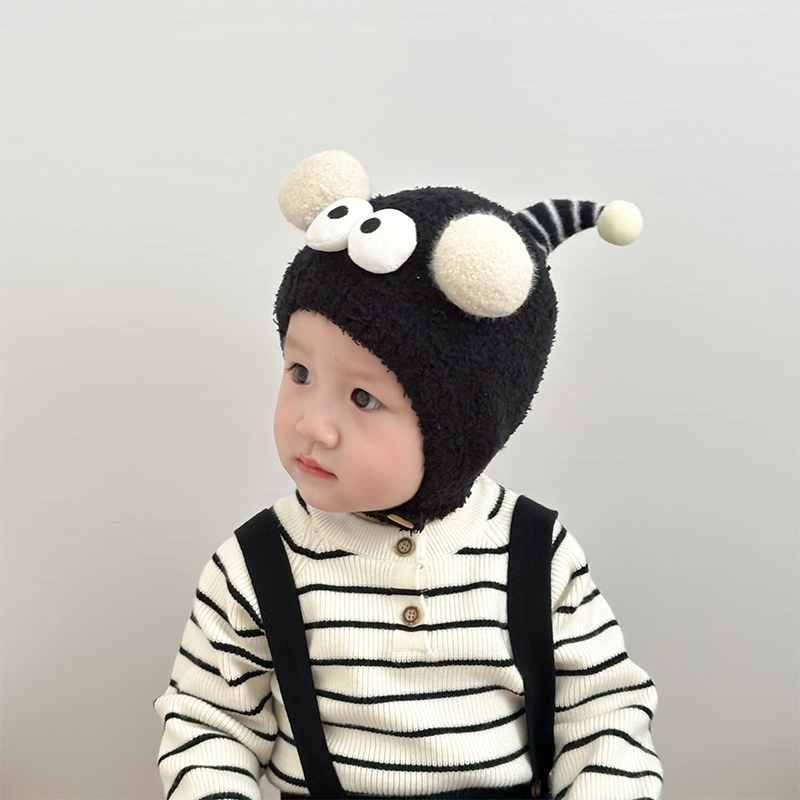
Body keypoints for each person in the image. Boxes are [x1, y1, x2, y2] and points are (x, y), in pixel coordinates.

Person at [154, 151, 662, 800]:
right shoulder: (255, 564)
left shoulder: (536, 553)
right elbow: (208, 723)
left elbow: (605, 714)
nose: (314, 425)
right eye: (300, 372)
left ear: (461, 431)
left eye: (363, 398)